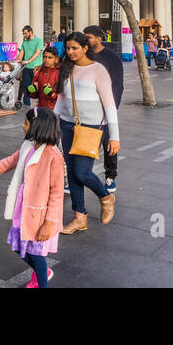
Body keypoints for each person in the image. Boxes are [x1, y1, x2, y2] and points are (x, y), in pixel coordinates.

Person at [0, 107, 65, 289]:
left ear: (37, 127)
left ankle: (42, 281)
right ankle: (44, 272)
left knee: (36, 253)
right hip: (24, 206)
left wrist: (49, 222)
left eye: (25, 123)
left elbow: (57, 192)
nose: (22, 126)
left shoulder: (54, 156)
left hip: (40, 213)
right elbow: (12, 160)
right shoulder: (28, 145)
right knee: (18, 247)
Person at [57, 31, 119, 234]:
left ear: (85, 48)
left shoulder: (98, 70)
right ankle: (79, 216)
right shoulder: (66, 67)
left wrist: (115, 136)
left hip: (91, 127)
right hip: (66, 125)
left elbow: (109, 104)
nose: (71, 52)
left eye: (75, 48)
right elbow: (61, 98)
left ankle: (105, 197)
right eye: (68, 48)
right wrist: (51, 122)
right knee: (72, 173)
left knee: (81, 172)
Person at [83, 25, 124, 191]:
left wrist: (112, 107)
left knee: (109, 144)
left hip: (106, 108)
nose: (86, 40)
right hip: (87, 108)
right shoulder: (84, 55)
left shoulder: (111, 57)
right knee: (85, 144)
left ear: (99, 39)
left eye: (89, 37)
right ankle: (81, 175)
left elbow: (118, 84)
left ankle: (110, 176)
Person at [26, 45, 61, 110]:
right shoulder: (38, 72)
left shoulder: (60, 73)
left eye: (50, 57)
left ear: (56, 59)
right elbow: (35, 96)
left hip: (56, 110)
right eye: (44, 57)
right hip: (41, 109)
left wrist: (52, 94)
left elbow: (64, 98)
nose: (46, 60)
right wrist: (30, 91)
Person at [18, 25, 44, 109]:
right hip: (27, 67)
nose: (24, 35)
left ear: (30, 32)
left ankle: (41, 102)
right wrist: (17, 61)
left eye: (25, 33)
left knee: (39, 86)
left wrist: (28, 61)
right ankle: (26, 103)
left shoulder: (39, 41)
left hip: (37, 67)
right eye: (23, 33)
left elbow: (37, 53)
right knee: (26, 85)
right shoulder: (25, 42)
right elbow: (21, 53)